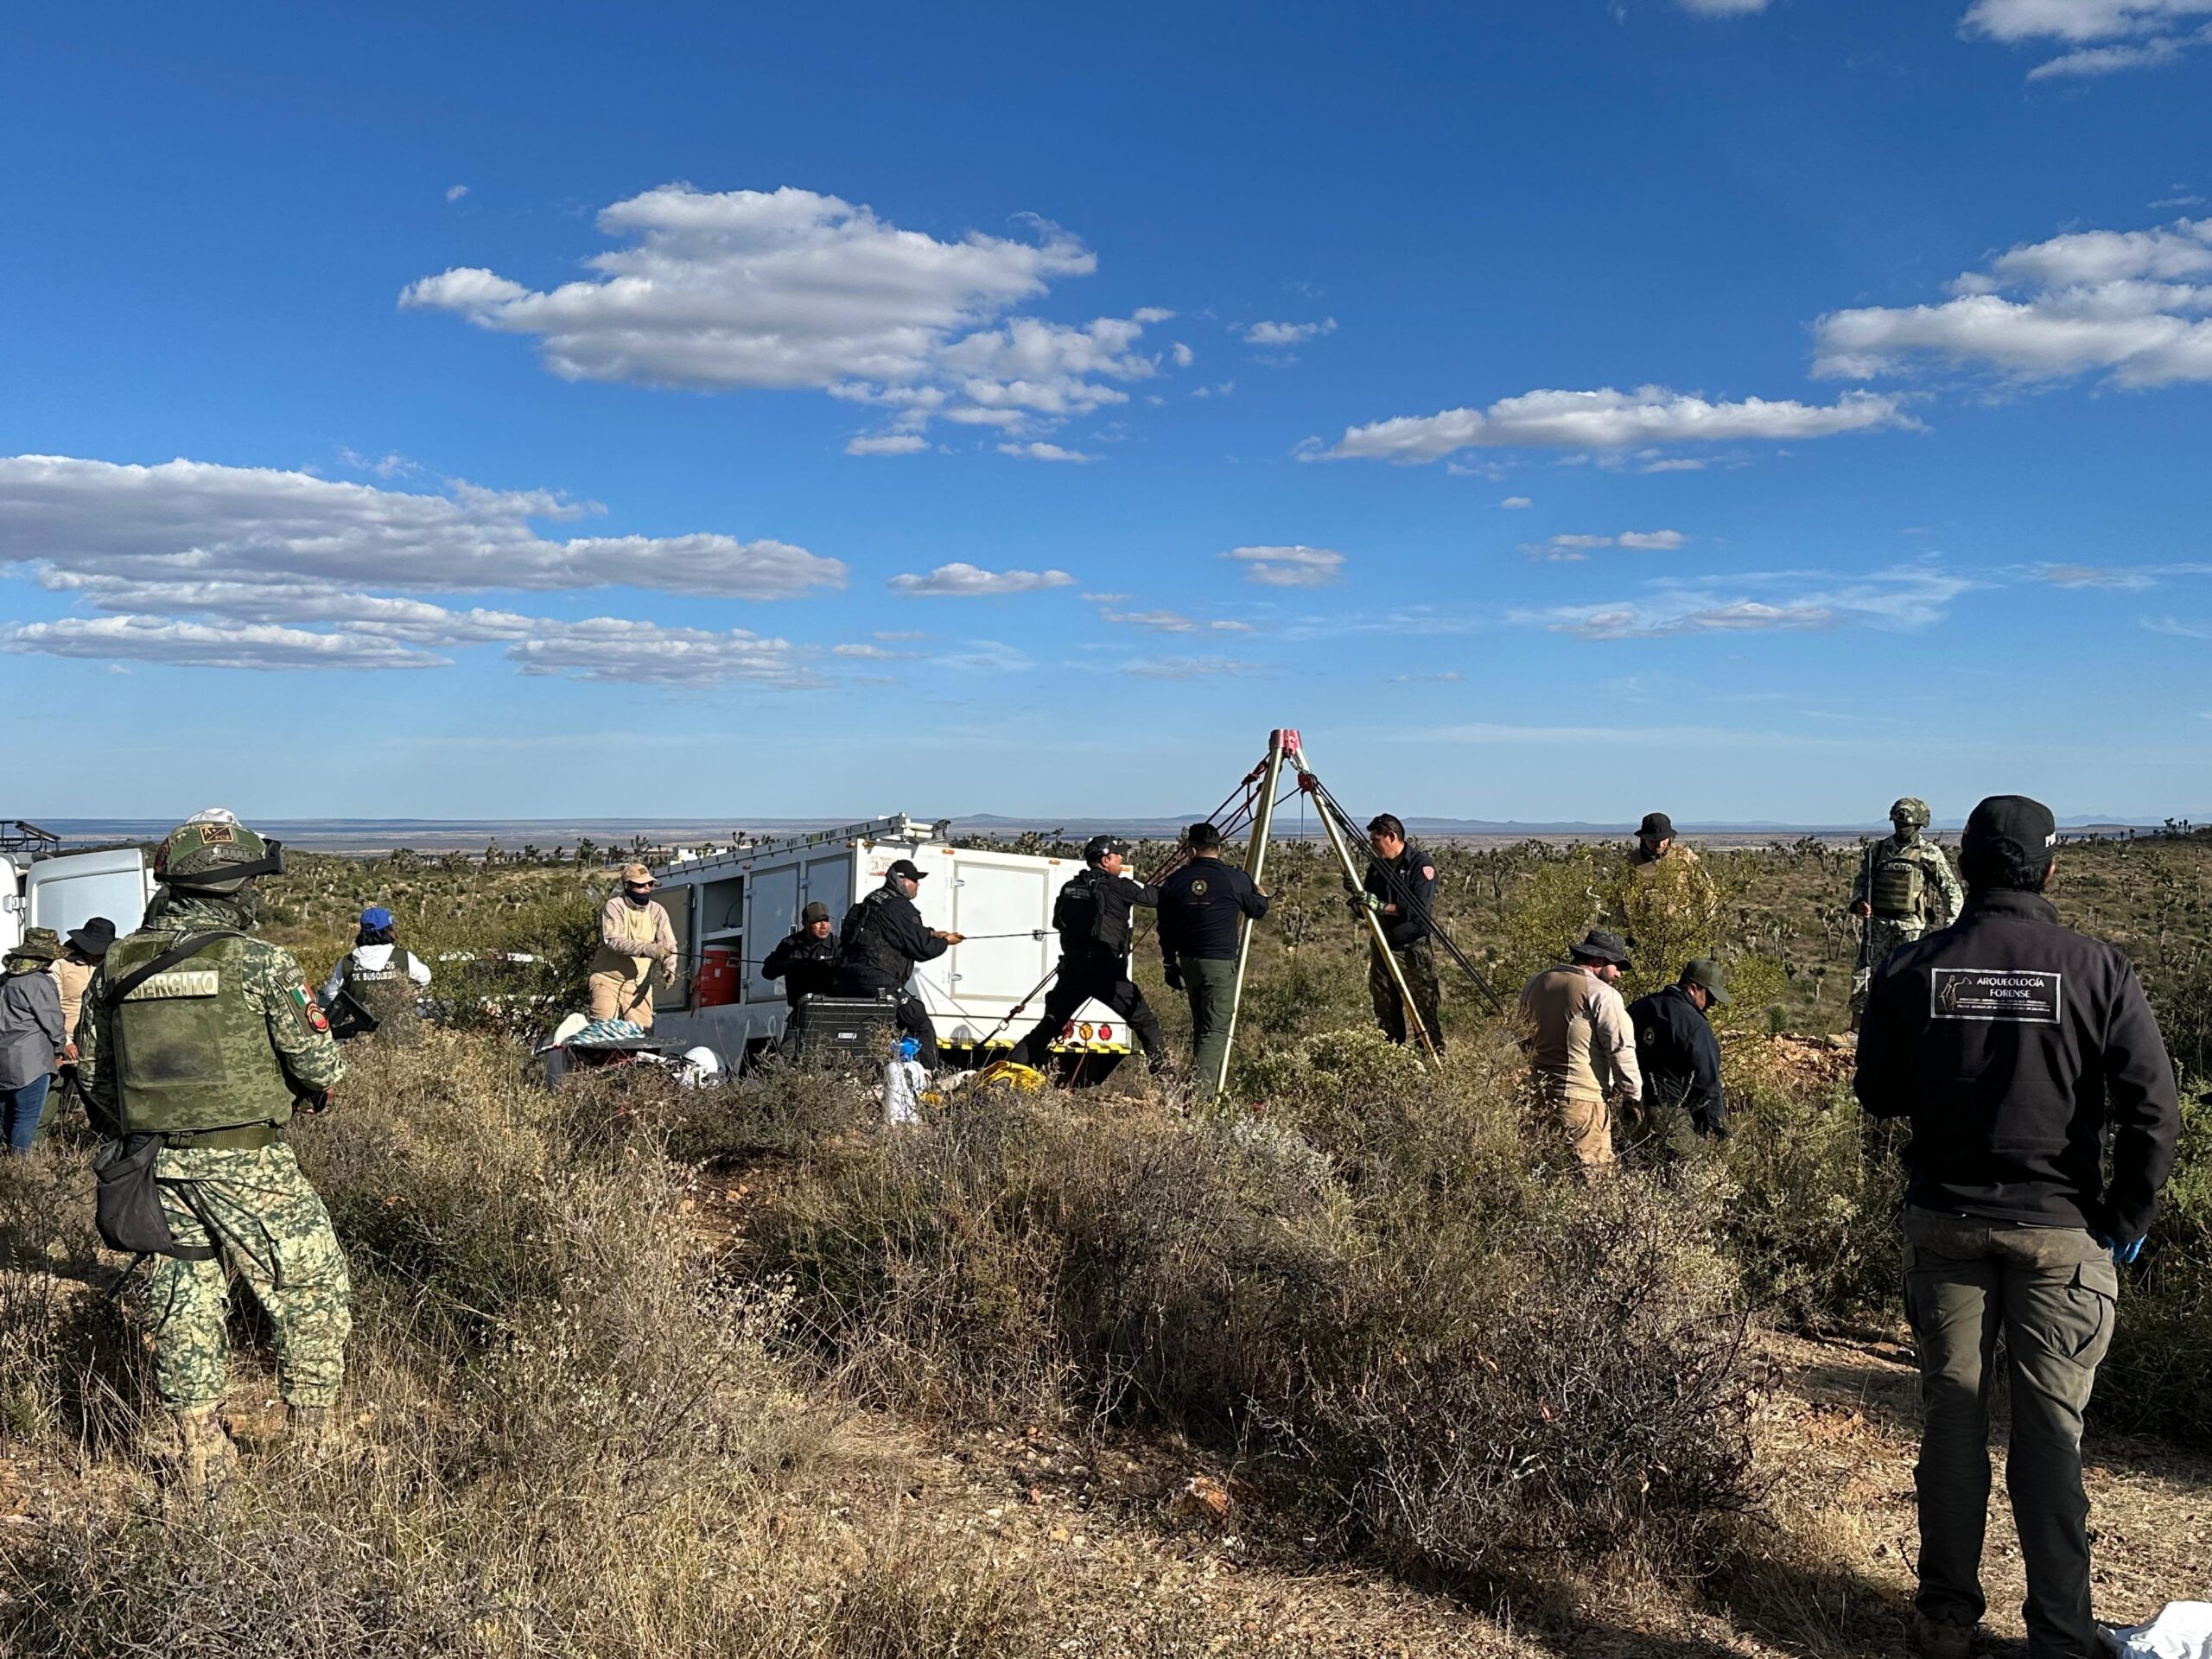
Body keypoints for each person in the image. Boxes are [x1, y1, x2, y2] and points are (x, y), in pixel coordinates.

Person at [1855, 794, 2179, 1659]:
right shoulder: (2097, 969)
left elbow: (1877, 1093)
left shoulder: (1912, 966)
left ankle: (1946, 1621)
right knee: (2049, 1434)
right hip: (2060, 1233)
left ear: (1958, 867)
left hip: (1946, 1224)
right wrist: (2124, 1216)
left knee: (1950, 1423)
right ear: (2049, 870)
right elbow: (2156, 1113)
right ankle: (2060, 1637)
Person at [73, 813, 352, 1494]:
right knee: (311, 1289)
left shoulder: (119, 962)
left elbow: (92, 1073)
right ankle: (313, 1447)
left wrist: (151, 1126)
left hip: (155, 1170)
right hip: (249, 1166)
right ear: (234, 889)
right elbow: (321, 1062)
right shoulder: (260, 961)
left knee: (183, 1307)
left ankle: (201, 1454)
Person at [1007, 835, 1169, 1077]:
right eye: (1118, 857)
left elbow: (1057, 921)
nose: (1121, 861)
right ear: (1105, 860)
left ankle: (1005, 1075)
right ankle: (1169, 1082)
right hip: (1106, 971)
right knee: (1145, 1022)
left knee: (1048, 1027)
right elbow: (1157, 898)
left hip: (1073, 969)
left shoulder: (1070, 887)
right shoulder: (1121, 886)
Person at [1517, 929, 1643, 1174]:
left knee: (1543, 1175)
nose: (1618, 973)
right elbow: (1621, 1049)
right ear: (1598, 961)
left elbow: (1522, 1036)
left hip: (1537, 1097)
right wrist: (1632, 1095)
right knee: (1593, 1179)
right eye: (1616, 965)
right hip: (1583, 1102)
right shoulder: (1603, 994)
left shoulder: (1535, 983)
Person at [1156, 822, 1270, 1091]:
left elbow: (1165, 929)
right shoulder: (1235, 878)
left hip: (1188, 962)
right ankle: (1198, 1099)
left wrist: (1170, 963)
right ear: (1217, 848)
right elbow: (1257, 909)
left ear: (1190, 850)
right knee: (1216, 1030)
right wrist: (1263, 897)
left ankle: (1197, 1091)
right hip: (1219, 964)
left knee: (1202, 1027)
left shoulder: (1174, 881)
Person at [835, 858, 963, 1066]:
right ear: (901, 881)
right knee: (919, 1020)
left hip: (848, 979)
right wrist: (945, 942)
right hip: (878, 979)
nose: (918, 885)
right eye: (914, 880)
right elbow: (921, 949)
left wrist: (931, 933)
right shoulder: (900, 906)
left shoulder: (872, 900)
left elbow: (894, 932)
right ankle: (925, 1074)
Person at [1849, 797, 1965, 1027]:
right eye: (1898, 824)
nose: (1901, 829)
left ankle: (1910, 1033)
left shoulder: (1928, 853)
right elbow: (1860, 883)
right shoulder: (1878, 850)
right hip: (1878, 926)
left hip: (1912, 929)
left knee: (1912, 979)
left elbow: (1951, 890)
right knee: (1865, 975)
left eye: (1907, 825)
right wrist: (1858, 904)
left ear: (1919, 824)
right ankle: (1857, 1030)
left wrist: (1951, 927)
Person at [1355, 813, 1443, 1052]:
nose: (1373, 844)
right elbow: (1366, 908)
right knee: (1385, 1010)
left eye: (1376, 839)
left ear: (1391, 837)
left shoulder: (1421, 866)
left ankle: (1432, 1061)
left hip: (1412, 949)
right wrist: (1358, 901)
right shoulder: (1377, 867)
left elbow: (1417, 911)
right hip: (1382, 945)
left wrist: (1381, 906)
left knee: (1423, 1013)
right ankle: (1391, 1062)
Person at [1627, 957, 1729, 1159]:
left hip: (1630, 1109)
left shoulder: (1638, 1007)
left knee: (1634, 1164)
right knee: (1694, 1170)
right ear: (1693, 988)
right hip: (1670, 1113)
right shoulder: (1694, 1024)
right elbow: (1707, 1082)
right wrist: (1716, 1125)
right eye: (1710, 997)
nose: (1712, 1004)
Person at [320, 906, 432, 1044]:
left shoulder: (347, 962)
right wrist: (409, 995)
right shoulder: (403, 957)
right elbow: (425, 977)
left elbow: (331, 993)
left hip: (357, 1038)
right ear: (386, 931)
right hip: (398, 1032)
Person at [588, 863, 678, 1030]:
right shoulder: (614, 906)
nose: (646, 888)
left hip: (639, 985)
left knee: (644, 1038)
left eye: (649, 884)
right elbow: (614, 941)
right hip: (607, 981)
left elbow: (668, 945)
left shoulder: (658, 911)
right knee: (601, 1035)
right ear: (627, 886)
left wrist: (669, 967)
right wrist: (650, 949)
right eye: (639, 885)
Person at [2, 929, 66, 1155]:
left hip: (4, 1058)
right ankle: (19, 1170)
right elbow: (52, 1019)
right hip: (31, 1062)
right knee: (26, 1119)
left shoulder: (5, 979)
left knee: (6, 1117)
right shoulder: (38, 981)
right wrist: (60, 1048)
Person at [1622, 810, 1720, 952]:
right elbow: (1617, 902)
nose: (1659, 844)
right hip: (1642, 937)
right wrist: (1625, 933)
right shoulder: (1629, 862)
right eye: (1653, 840)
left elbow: (1707, 891)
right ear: (1643, 839)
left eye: (1663, 839)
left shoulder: (1684, 857)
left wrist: (1700, 926)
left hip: (1681, 935)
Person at [53, 916, 114, 1052]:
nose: (98, 955)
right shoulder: (61, 964)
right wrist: (66, 1042)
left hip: (105, 1039)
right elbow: (52, 1008)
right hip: (72, 1041)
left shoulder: (112, 965)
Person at [762, 901, 840, 1009]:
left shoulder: (837, 945)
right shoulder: (789, 945)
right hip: (801, 1012)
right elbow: (767, 973)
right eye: (817, 922)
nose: (823, 926)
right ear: (805, 924)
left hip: (830, 1011)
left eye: (826, 921)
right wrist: (789, 963)